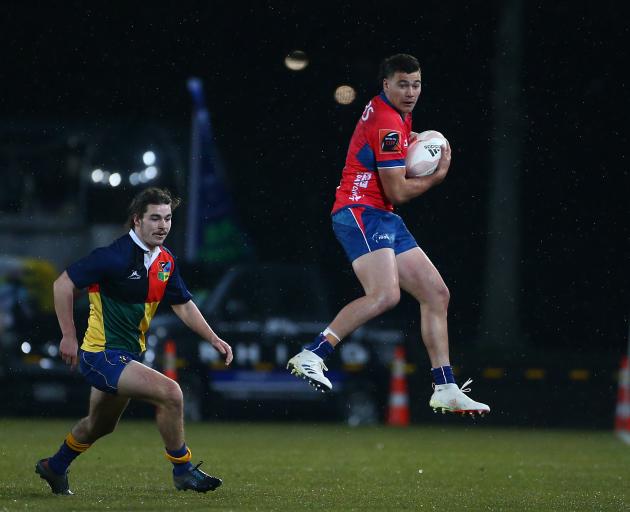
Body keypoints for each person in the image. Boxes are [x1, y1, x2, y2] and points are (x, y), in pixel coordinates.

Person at [287, 54, 489, 416]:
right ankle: (313, 353)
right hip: (359, 211)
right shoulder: (387, 120)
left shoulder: (393, 113)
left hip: (381, 216)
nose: (411, 92)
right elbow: (398, 191)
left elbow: (388, 151)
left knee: (436, 293)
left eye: (416, 84)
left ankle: (445, 387)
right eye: (403, 84)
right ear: (386, 85)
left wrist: (414, 140)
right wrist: (437, 175)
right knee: (384, 295)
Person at [35, 187, 233, 495]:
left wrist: (213, 338)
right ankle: (183, 471)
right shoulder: (113, 256)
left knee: (99, 425)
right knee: (171, 393)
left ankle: (54, 467)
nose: (163, 226)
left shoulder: (165, 261)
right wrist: (69, 336)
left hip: (125, 357)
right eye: (155, 218)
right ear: (137, 220)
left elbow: (182, 304)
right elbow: (62, 285)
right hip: (101, 356)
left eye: (167, 218)